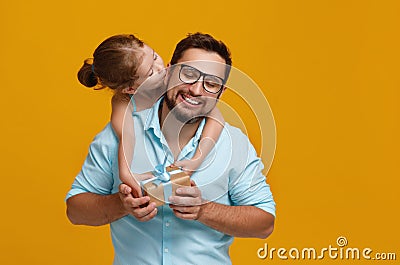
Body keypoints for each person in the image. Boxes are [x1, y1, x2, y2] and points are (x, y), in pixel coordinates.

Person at [66, 33, 275, 265]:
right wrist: (122, 204)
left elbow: (265, 223)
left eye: (212, 84)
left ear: (221, 92)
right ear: (169, 72)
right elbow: (75, 210)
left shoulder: (234, 145)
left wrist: (203, 210)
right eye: (188, 74)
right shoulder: (119, 130)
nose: (197, 90)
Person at [77, 34, 224, 197]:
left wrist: (196, 160)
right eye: (150, 72)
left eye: (154, 56)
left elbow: (216, 117)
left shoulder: (171, 81)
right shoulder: (123, 102)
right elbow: (127, 137)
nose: (161, 68)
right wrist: (127, 175)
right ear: (131, 89)